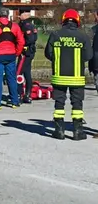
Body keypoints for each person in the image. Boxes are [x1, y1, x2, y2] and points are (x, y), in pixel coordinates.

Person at [45, 9, 93, 140]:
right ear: (77, 21)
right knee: (77, 103)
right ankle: (78, 132)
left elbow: (48, 54)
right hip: (77, 77)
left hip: (59, 76)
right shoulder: (83, 36)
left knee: (59, 103)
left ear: (63, 20)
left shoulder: (55, 34)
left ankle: (59, 131)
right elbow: (89, 55)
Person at [0, 9, 25, 109]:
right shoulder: (15, 26)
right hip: (11, 55)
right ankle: (14, 101)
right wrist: (17, 53)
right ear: (8, 15)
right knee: (12, 78)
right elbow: (21, 41)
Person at [17, 11, 37, 103]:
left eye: (20, 14)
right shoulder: (27, 24)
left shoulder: (26, 25)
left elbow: (30, 39)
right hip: (28, 51)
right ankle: (27, 94)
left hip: (26, 52)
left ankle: (20, 94)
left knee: (18, 73)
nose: (18, 16)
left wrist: (20, 44)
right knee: (27, 73)